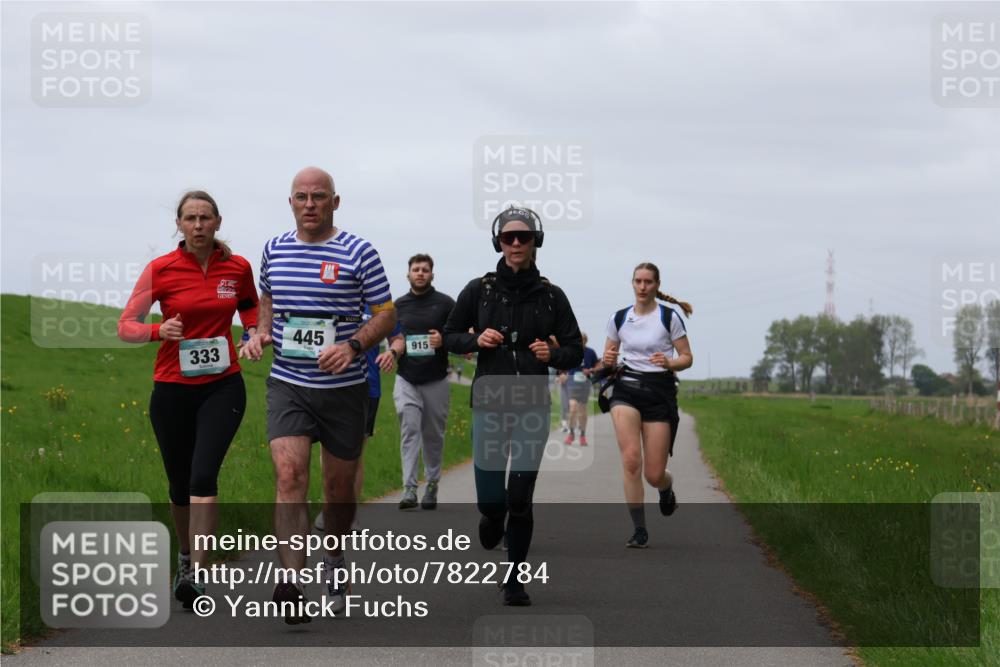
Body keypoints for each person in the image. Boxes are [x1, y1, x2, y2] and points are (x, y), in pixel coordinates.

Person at [241, 167, 396, 623]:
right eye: (301, 197)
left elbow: (386, 315)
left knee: (338, 490)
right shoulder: (273, 249)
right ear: (290, 202)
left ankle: (335, 558)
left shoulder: (359, 252)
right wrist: (262, 333)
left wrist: (352, 346)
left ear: (335, 202)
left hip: (344, 390)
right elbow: (268, 300)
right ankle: (291, 581)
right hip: (289, 384)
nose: (310, 204)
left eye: (319, 197)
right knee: (289, 476)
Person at [118, 190, 259, 608]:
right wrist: (158, 331)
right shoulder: (160, 270)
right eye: (190, 218)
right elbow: (126, 325)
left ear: (217, 222)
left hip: (223, 385)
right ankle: (184, 556)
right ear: (179, 225)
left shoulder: (237, 267)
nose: (198, 225)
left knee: (202, 477)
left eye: (205, 218)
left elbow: (250, 307)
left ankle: (195, 572)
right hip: (172, 389)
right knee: (179, 485)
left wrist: (252, 333)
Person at [444, 206, 582, 606]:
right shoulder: (478, 290)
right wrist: (475, 341)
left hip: (532, 405)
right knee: (493, 500)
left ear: (536, 241)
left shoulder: (552, 296)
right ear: (498, 242)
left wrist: (551, 354)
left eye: (524, 237)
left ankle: (515, 580)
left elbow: (575, 350)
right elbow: (449, 335)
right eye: (509, 237)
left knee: (520, 495)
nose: (517, 243)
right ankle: (492, 516)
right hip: (490, 401)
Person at [602, 262, 693, 549]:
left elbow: (687, 357)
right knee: (631, 460)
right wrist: (607, 361)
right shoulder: (618, 318)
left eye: (648, 282)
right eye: (638, 281)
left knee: (653, 474)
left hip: (659, 393)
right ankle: (639, 529)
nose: (642, 287)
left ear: (656, 285)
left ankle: (666, 489)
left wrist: (669, 362)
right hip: (626, 390)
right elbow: (609, 356)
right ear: (632, 283)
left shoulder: (669, 317)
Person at [313, 303, 401, 531]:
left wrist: (392, 352)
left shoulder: (380, 305)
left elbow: (398, 338)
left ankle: (349, 514)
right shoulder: (332, 296)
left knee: (354, 455)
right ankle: (330, 508)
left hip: (366, 388)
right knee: (326, 452)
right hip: (327, 384)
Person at [380, 254, 456, 510]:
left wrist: (443, 339)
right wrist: (393, 351)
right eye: (416, 269)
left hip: (436, 379)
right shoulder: (398, 306)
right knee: (409, 430)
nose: (420, 273)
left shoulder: (445, 304)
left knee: (433, 435)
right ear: (408, 274)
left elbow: (460, 335)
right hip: (407, 379)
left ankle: (432, 484)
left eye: (425, 270)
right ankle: (409, 488)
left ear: (432, 275)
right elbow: (392, 337)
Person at [564, 333, 600, 446]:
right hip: (572, 383)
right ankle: (571, 433)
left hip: (585, 384)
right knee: (573, 408)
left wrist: (591, 370)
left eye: (583, 341)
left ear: (585, 341)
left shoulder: (590, 352)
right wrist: (561, 374)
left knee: (582, 410)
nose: (581, 343)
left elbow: (598, 365)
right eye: (579, 340)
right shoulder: (570, 351)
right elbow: (561, 362)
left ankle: (582, 435)